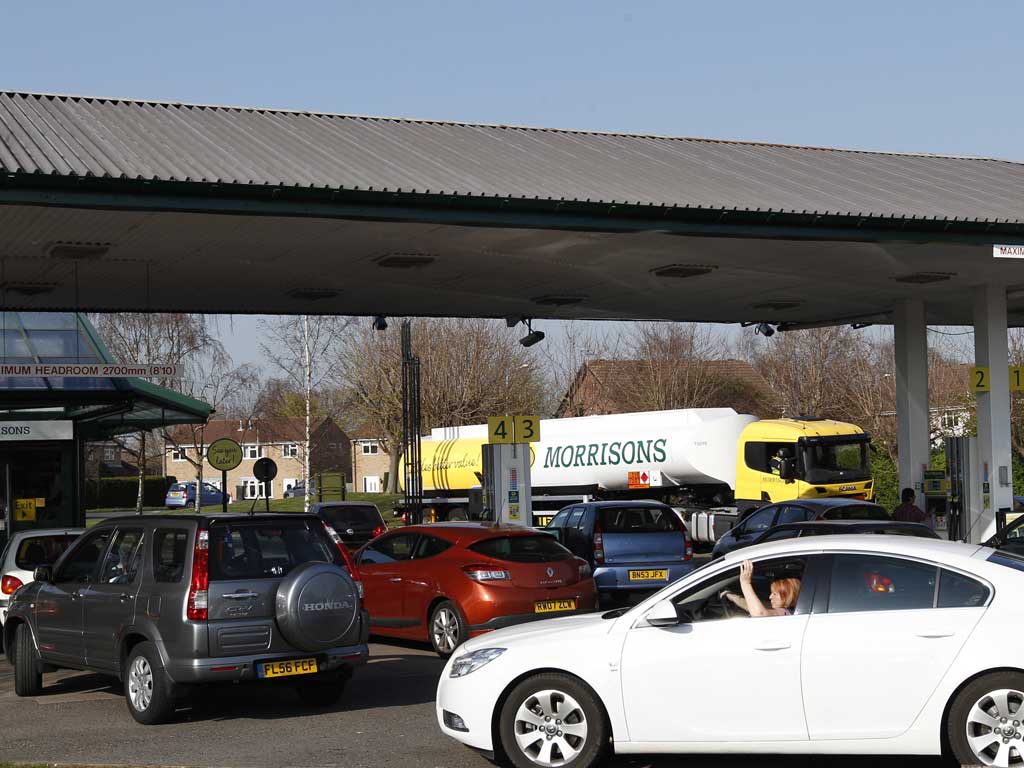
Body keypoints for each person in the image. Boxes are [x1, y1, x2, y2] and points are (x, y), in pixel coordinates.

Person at [720, 560, 801, 617]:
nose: (770, 597)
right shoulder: (782, 608)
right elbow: (750, 606)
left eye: (774, 594)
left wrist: (745, 583)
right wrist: (732, 597)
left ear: (787, 595)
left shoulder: (784, 613)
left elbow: (760, 614)